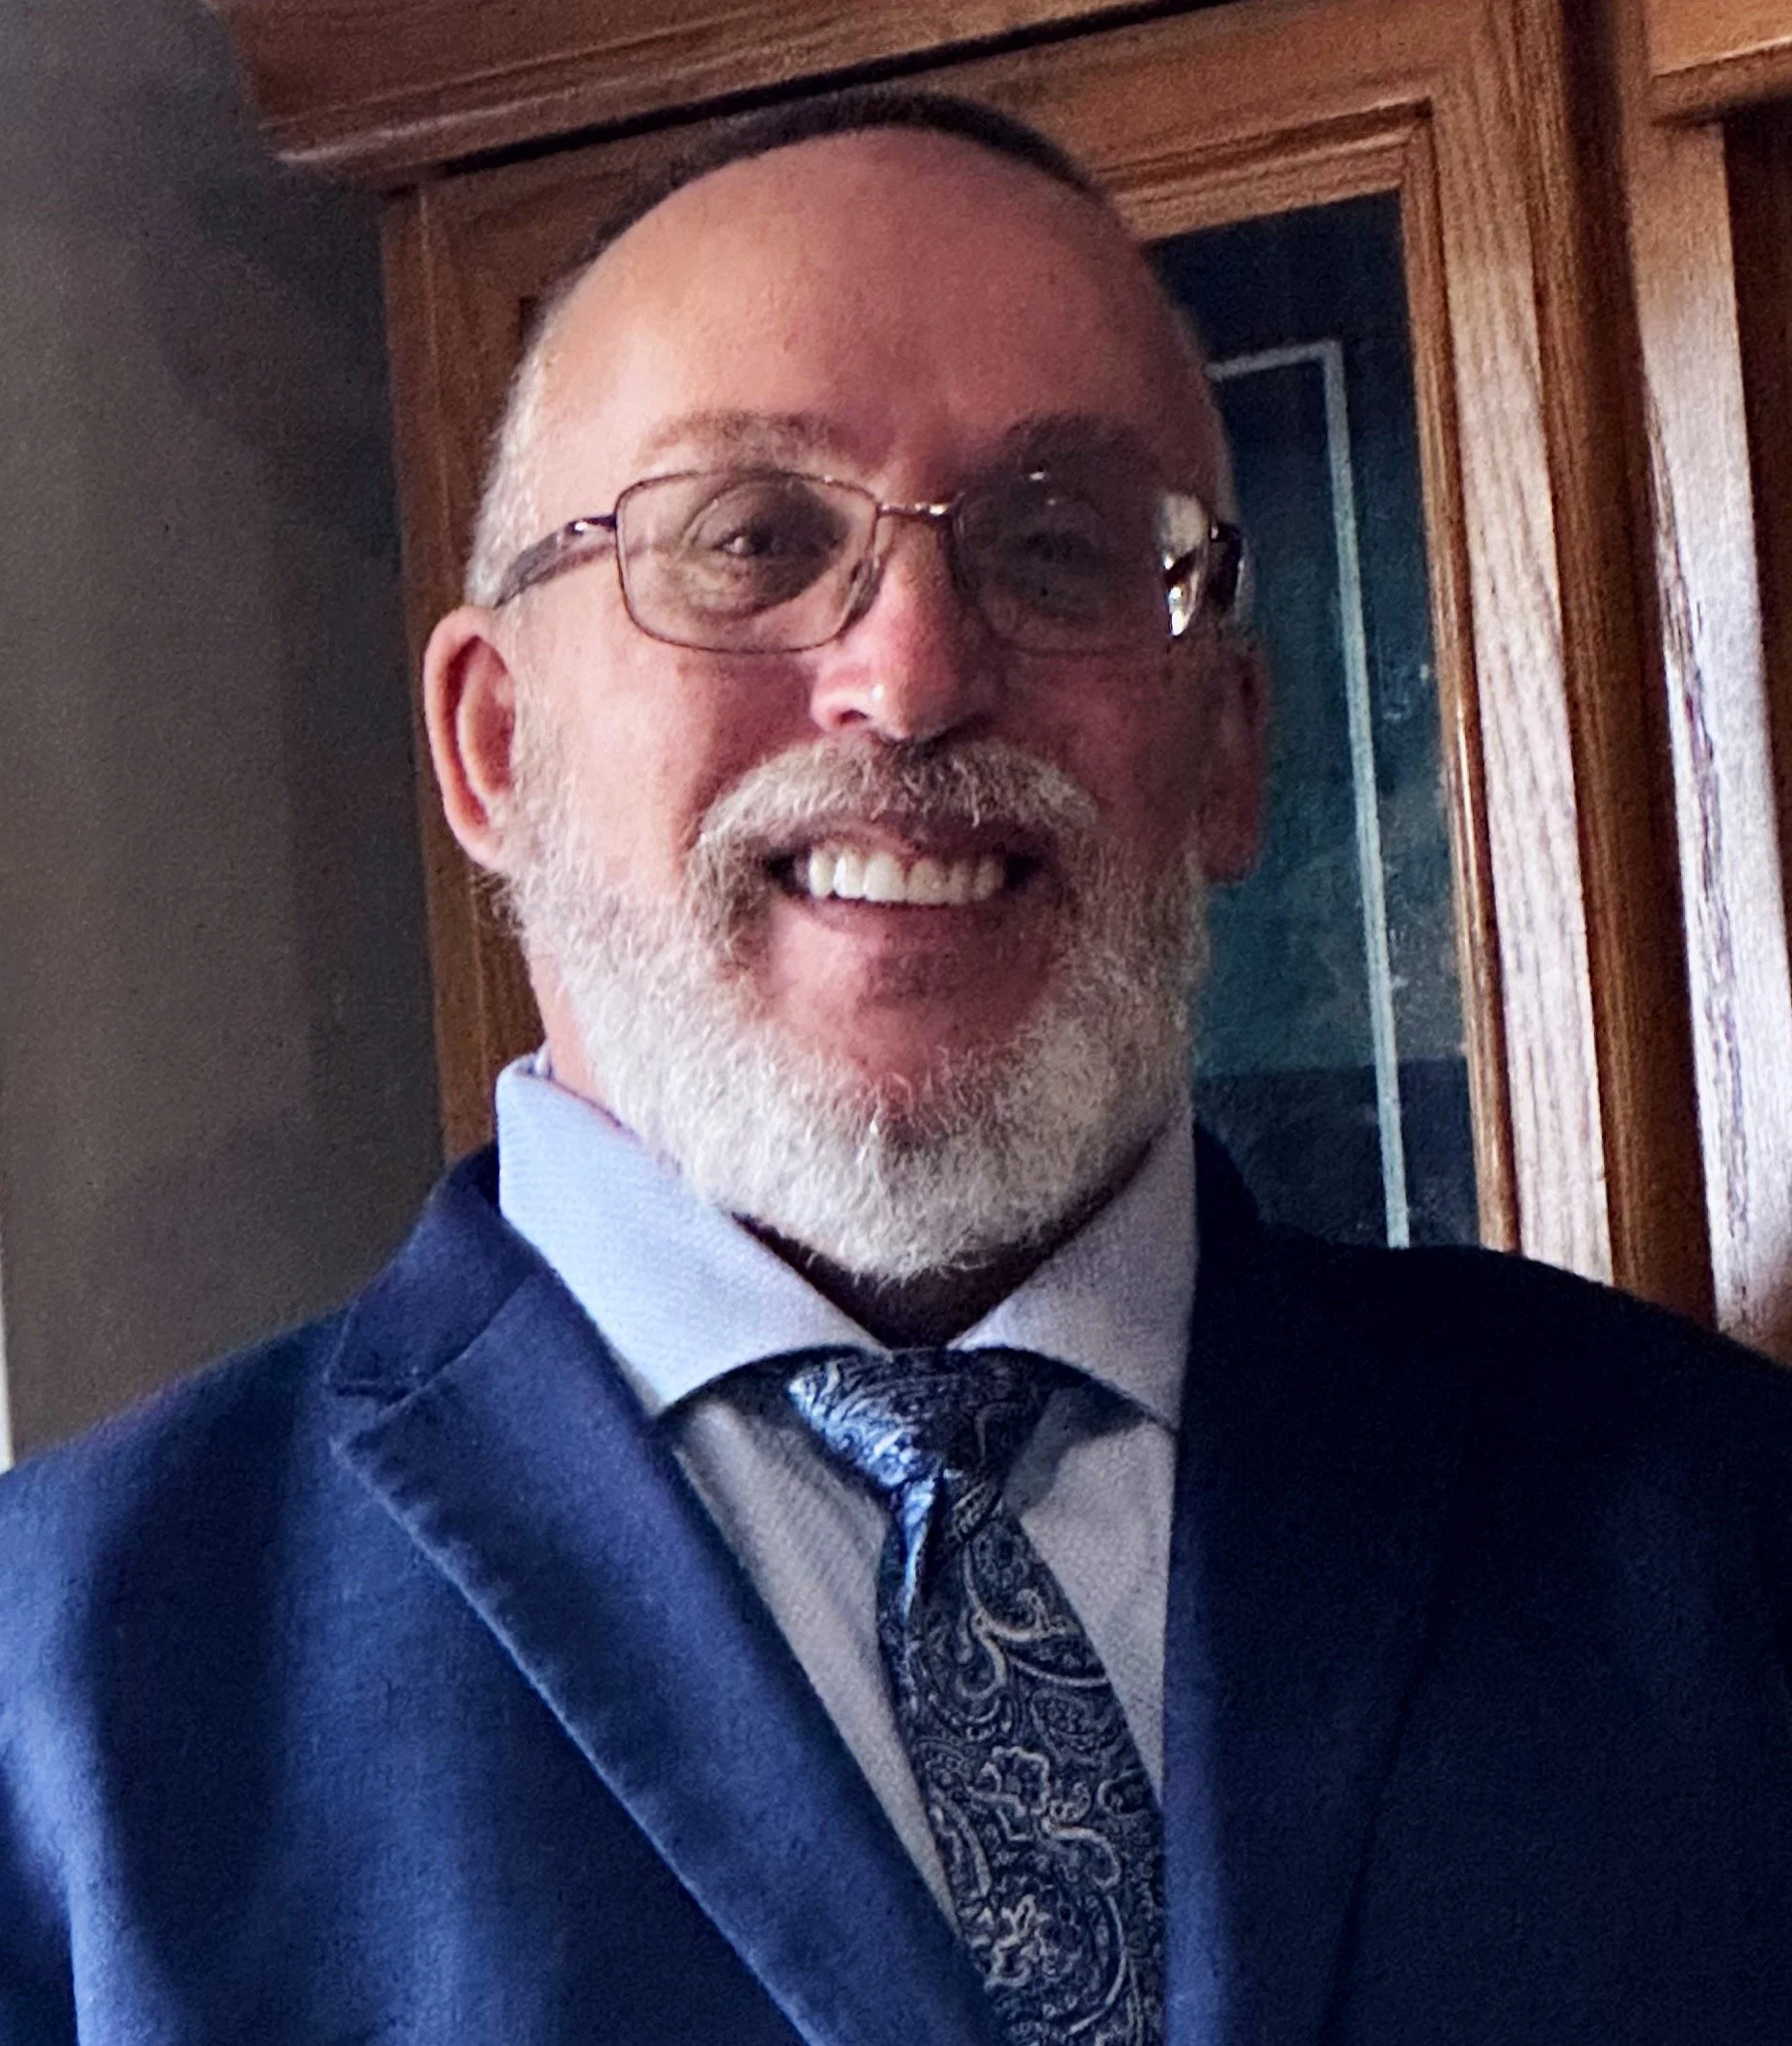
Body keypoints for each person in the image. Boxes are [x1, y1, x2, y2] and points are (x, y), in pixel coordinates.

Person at [2, 88, 1790, 2046]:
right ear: (494, 743)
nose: (915, 673)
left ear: (1226, 747)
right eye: (752, 540)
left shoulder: (1710, 1529)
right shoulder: (59, 1690)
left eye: (1059, 547)